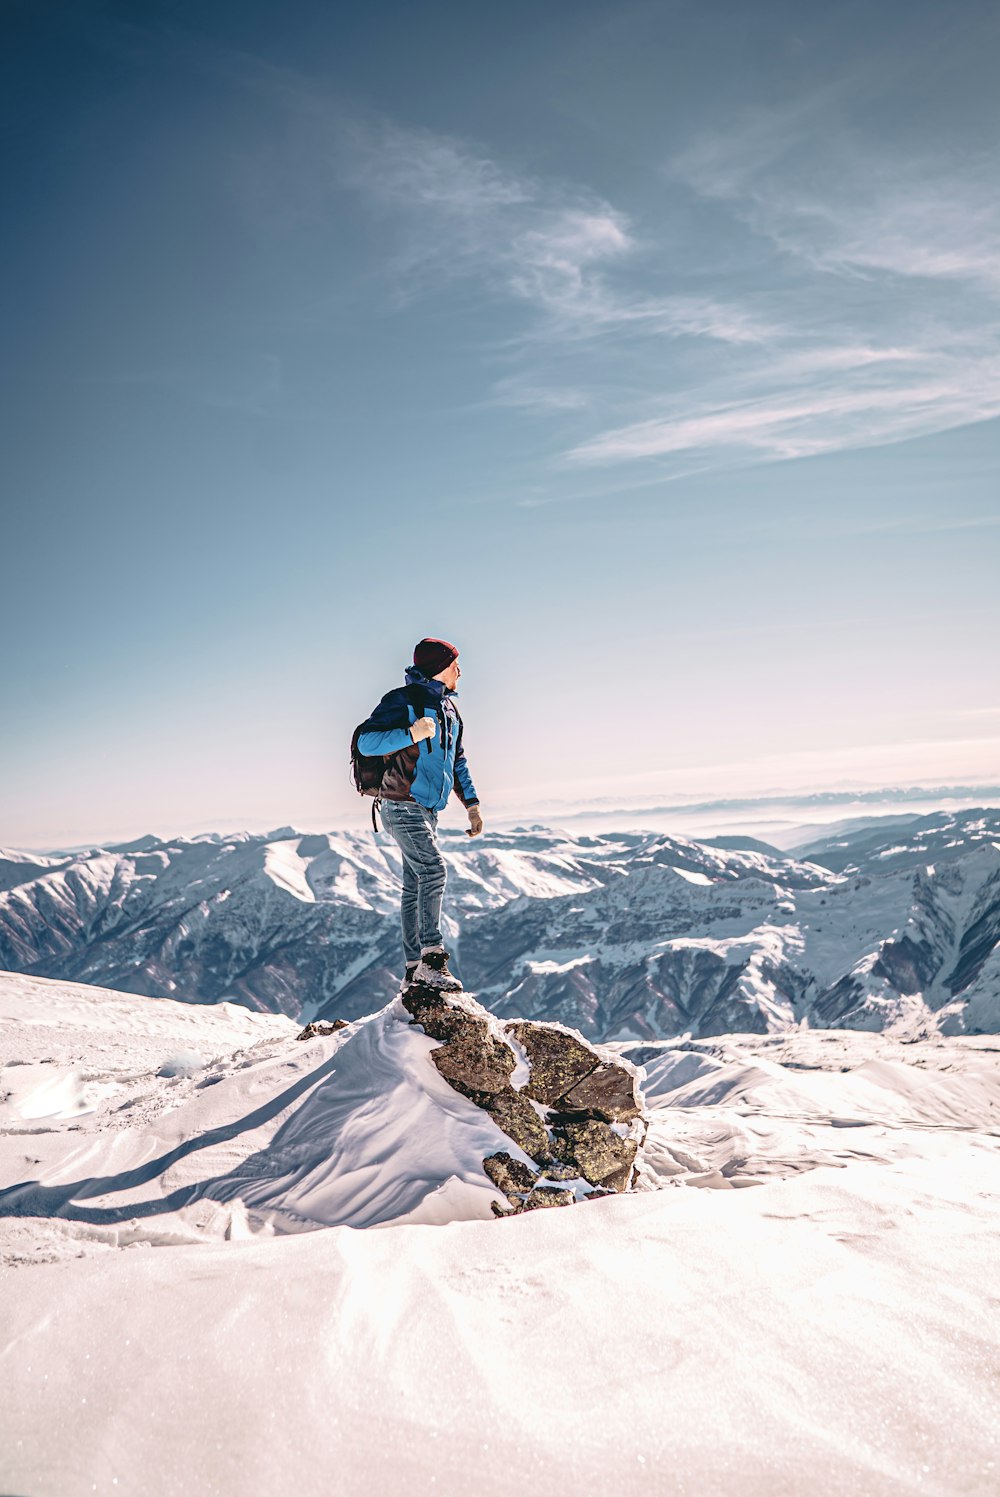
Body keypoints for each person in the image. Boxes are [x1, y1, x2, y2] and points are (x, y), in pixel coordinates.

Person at [357, 637, 483, 993]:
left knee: (414, 885)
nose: (460, 670)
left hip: (428, 811)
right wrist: (409, 733)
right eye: (455, 663)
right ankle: (431, 959)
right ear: (440, 666)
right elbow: (367, 742)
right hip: (401, 803)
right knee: (433, 870)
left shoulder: (449, 711)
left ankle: (413, 968)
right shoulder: (402, 701)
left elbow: (456, 760)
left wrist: (471, 805)